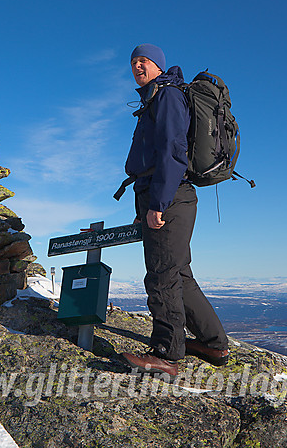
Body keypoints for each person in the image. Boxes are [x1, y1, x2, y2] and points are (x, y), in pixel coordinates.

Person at [121, 43, 229, 377]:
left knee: (162, 274)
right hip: (163, 194)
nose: (138, 66)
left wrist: (158, 203)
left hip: (169, 195)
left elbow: (173, 151)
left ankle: (166, 353)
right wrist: (147, 205)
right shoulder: (154, 98)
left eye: (145, 61)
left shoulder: (166, 96)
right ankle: (214, 343)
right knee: (179, 273)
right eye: (134, 62)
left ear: (158, 65)